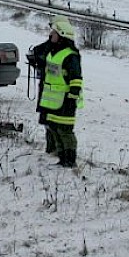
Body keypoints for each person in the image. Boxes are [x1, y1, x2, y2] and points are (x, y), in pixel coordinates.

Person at [38, 17, 83, 168]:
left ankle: (70, 160)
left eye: (54, 32)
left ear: (62, 34)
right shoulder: (53, 52)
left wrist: (72, 98)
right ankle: (62, 158)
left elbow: (76, 79)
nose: (51, 35)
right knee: (55, 129)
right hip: (52, 101)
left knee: (65, 131)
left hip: (65, 100)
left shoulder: (70, 56)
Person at [28, 15, 68, 154]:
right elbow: (40, 52)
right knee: (48, 122)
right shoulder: (51, 44)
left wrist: (40, 60)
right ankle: (51, 149)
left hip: (56, 92)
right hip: (48, 91)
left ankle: (57, 150)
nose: (50, 33)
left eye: (53, 31)